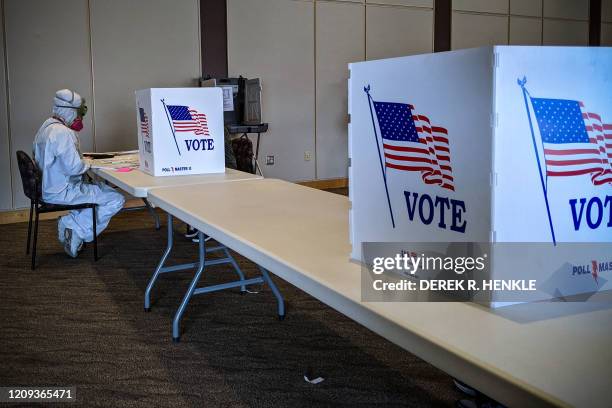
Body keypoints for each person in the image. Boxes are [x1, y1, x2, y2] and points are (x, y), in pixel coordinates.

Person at [33, 89, 125, 258]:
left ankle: (74, 226)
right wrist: (88, 162)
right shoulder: (62, 132)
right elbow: (74, 168)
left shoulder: (46, 127)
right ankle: (74, 228)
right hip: (62, 191)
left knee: (99, 192)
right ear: (70, 111)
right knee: (115, 199)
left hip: (48, 188)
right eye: (78, 114)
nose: (79, 119)